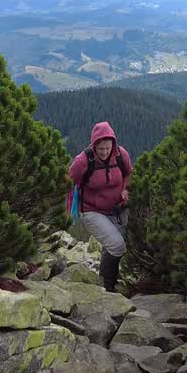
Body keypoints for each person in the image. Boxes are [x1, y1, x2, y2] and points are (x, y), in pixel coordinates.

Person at [68, 121, 131, 292]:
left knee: (112, 245)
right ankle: (109, 287)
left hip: (117, 209)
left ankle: (109, 281)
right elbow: (68, 182)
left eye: (107, 148)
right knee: (117, 246)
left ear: (113, 144)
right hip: (92, 211)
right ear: (94, 144)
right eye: (100, 148)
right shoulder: (83, 160)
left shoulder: (120, 155)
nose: (104, 152)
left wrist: (125, 189)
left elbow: (128, 173)